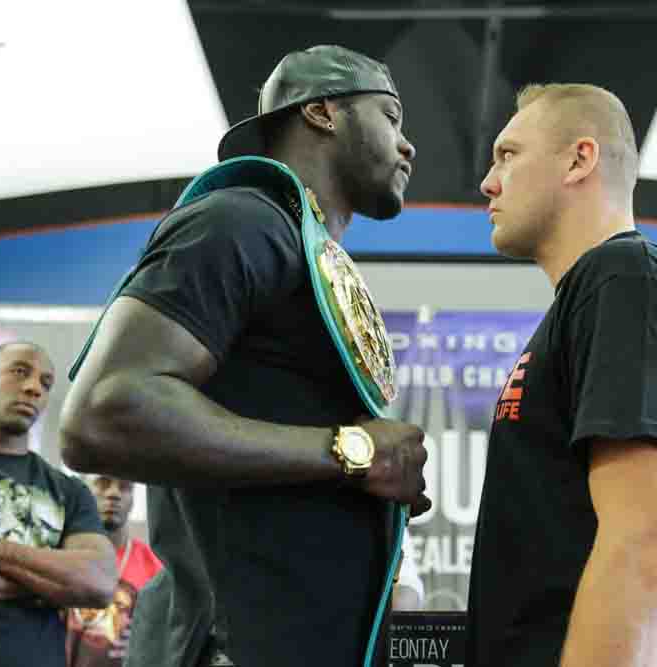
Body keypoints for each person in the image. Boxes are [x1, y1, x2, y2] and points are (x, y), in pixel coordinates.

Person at [59, 44, 429, 667]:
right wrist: (354, 451)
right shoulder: (239, 220)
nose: (408, 145)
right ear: (322, 112)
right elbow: (104, 412)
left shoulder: (296, 244)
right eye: (390, 116)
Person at [466, 83, 657, 666]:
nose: (489, 183)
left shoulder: (627, 279)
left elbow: (649, 540)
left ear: (579, 159)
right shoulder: (595, 295)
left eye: (508, 155)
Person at [0, 341, 116, 667]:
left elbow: (99, 583)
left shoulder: (68, 490)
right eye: (20, 371)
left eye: (46, 383)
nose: (34, 388)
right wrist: (49, 583)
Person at [66, 475, 163, 667]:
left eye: (124, 487)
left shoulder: (154, 569)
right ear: (84, 490)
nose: (114, 494)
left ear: (133, 498)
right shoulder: (61, 557)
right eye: (103, 484)